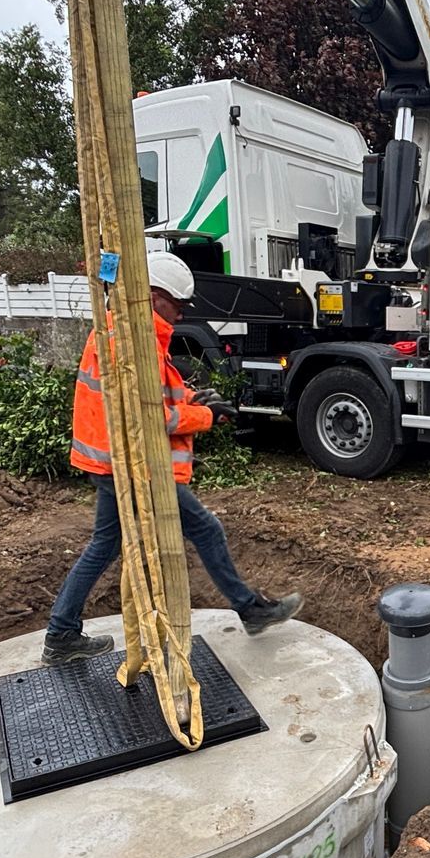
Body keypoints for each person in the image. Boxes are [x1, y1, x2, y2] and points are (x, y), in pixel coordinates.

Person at [43, 252, 301, 665]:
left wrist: (193, 399)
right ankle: (250, 609)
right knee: (205, 528)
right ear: (150, 296)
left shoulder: (127, 333)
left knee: (105, 545)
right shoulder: (132, 342)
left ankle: (61, 634)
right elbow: (147, 418)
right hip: (131, 463)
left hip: (116, 461)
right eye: (176, 305)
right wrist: (207, 416)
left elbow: (153, 398)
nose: (180, 315)